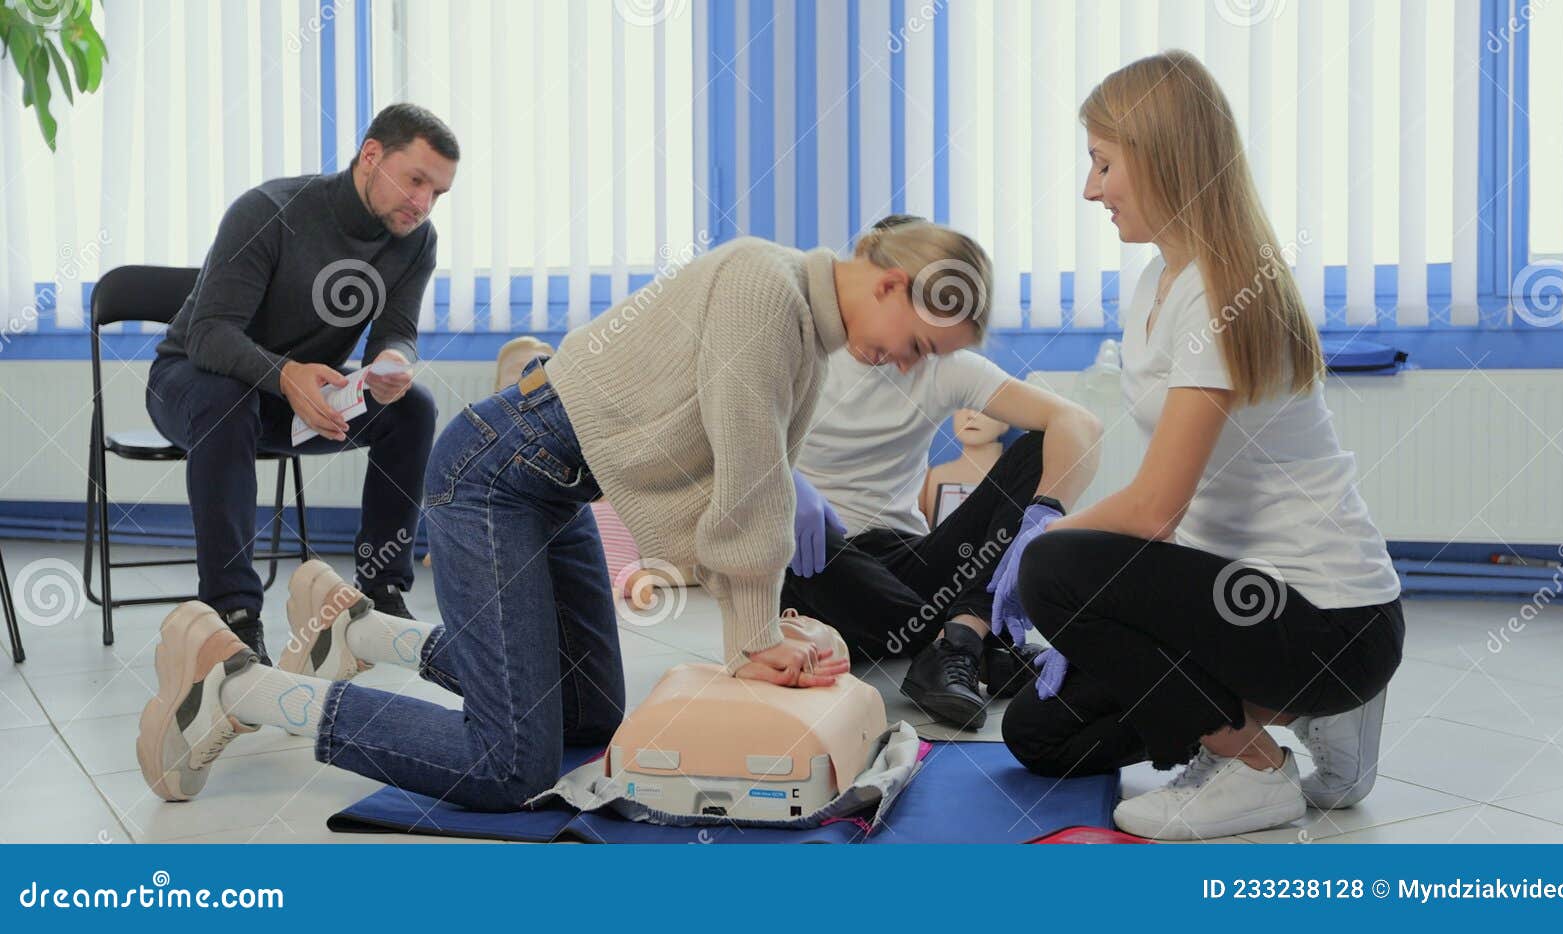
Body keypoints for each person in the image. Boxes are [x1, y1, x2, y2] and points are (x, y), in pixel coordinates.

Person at [136, 222, 994, 810]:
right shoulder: (766, 291)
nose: (905, 367)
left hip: (549, 484)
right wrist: (755, 636)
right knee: (509, 763)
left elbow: (753, 471)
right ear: (889, 282)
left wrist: (758, 633)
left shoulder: (806, 327)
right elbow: (749, 479)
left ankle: (361, 634)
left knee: (587, 722)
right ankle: (241, 686)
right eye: (918, 346)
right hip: (494, 474)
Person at [995, 51, 1403, 840]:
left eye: (1104, 163)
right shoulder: (1155, 285)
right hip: (1236, 600)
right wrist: (1102, 636)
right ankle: (1295, 711)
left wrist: (1043, 553)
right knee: (1039, 734)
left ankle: (1252, 763)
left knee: (1054, 567)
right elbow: (1173, 526)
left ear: (1165, 156)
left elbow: (1152, 511)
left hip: (1328, 619)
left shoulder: (1224, 290)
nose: (1091, 189)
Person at [145, 104, 457, 662]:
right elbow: (209, 335)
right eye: (416, 181)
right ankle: (233, 618)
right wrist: (284, 374)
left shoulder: (416, 240)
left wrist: (391, 361)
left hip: (300, 401)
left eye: (437, 193)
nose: (423, 203)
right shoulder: (269, 211)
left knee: (414, 407)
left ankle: (382, 594)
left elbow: (398, 331)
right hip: (194, 383)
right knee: (226, 398)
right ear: (371, 156)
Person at [782, 217, 1104, 731]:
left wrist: (1041, 520)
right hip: (815, 563)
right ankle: (971, 641)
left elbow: (1079, 424)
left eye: (925, 346)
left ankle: (953, 643)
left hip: (904, 563)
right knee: (806, 535)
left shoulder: (943, 366)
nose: (907, 359)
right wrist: (780, 484)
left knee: (1044, 446)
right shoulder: (798, 340)